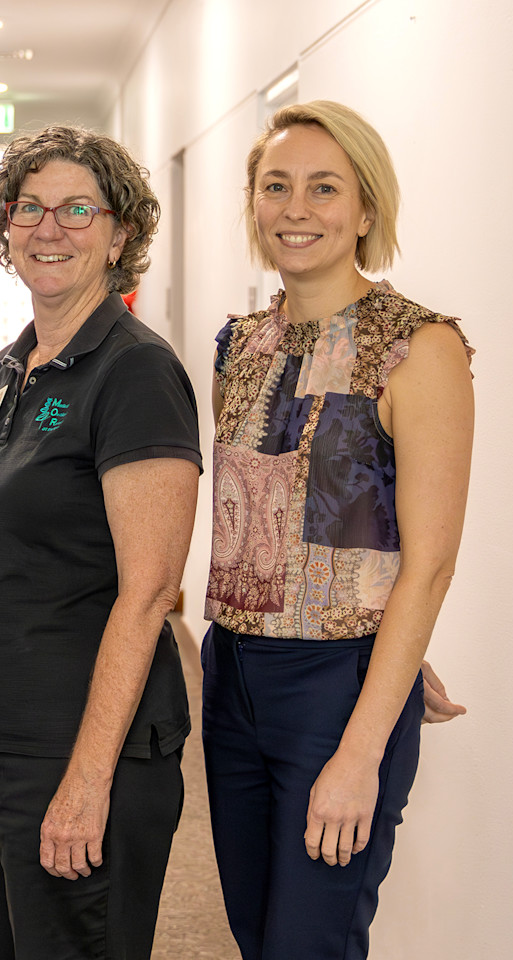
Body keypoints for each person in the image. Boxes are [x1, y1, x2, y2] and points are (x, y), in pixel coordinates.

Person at [202, 100, 474, 959]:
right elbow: (283, 525)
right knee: (255, 932)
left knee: (310, 944)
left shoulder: (417, 347)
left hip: (336, 693)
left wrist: (362, 746)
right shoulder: (239, 345)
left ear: (365, 209)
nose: (296, 208)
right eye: (276, 186)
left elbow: (429, 564)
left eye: (325, 188)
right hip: (232, 672)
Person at [0, 125, 202, 959]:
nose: (49, 228)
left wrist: (87, 780)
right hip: (4, 739)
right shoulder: (9, 369)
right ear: (5, 230)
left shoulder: (135, 374)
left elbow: (149, 592)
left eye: (77, 209)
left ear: (121, 233)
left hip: (87, 747)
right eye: (28, 209)